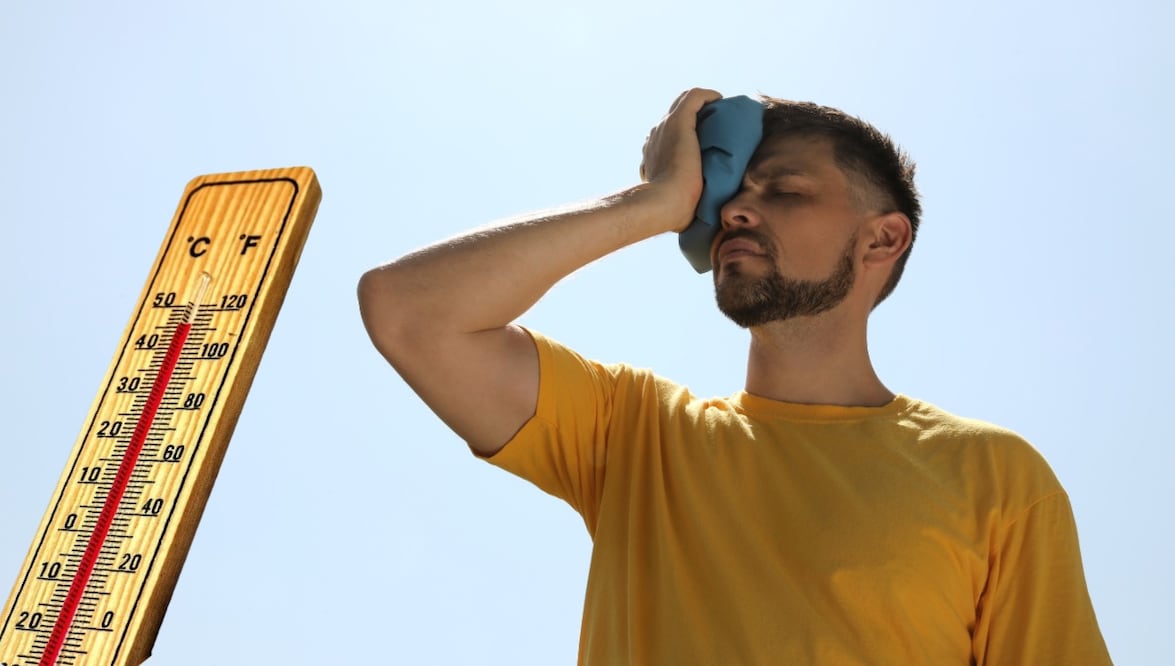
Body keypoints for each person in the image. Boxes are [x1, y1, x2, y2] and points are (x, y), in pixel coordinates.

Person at [357, 88, 1112, 664]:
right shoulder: (636, 434)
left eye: (782, 191)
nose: (737, 213)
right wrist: (650, 204)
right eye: (726, 196)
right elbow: (409, 311)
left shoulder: (992, 475)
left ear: (881, 239)